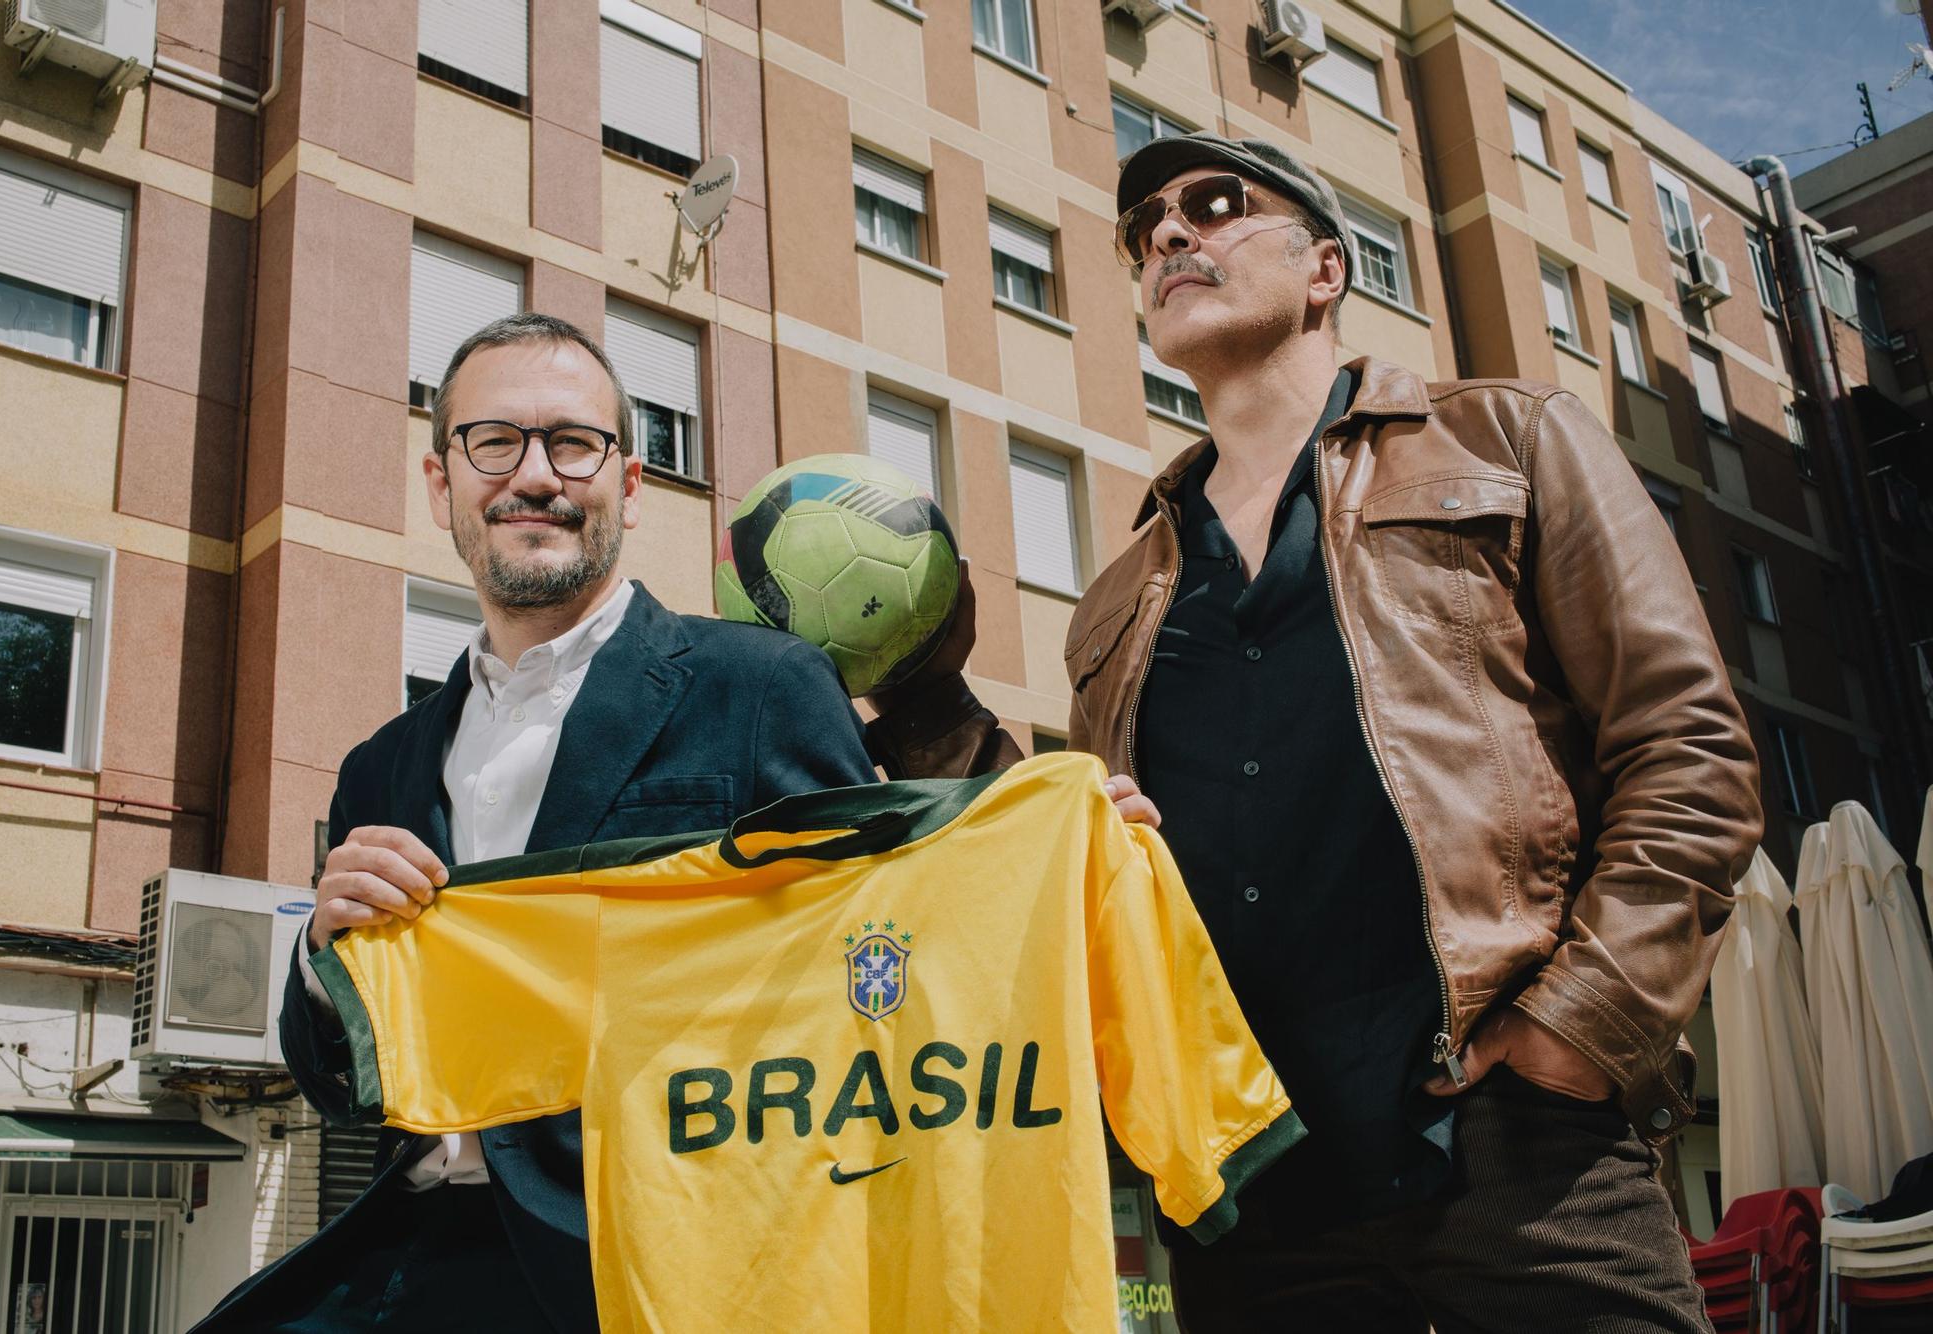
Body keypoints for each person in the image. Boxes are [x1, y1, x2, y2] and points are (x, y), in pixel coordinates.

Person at [868, 131, 1763, 1332]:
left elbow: (1685, 747)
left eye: (1214, 204)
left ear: (1327, 269)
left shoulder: (1506, 440)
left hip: (1514, 1149)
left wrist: (1578, 1029)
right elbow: (1075, 871)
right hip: (1253, 1184)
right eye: (1145, 233)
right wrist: (922, 705)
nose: (1170, 236)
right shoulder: (1116, 600)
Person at [197, 313, 880, 1332]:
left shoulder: (761, 686)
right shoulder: (380, 764)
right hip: (417, 1255)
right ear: (441, 485)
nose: (534, 474)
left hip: (653, 1258)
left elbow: (878, 966)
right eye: (492, 442)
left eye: (572, 441)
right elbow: (341, 1082)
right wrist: (317, 954)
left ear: (630, 486)